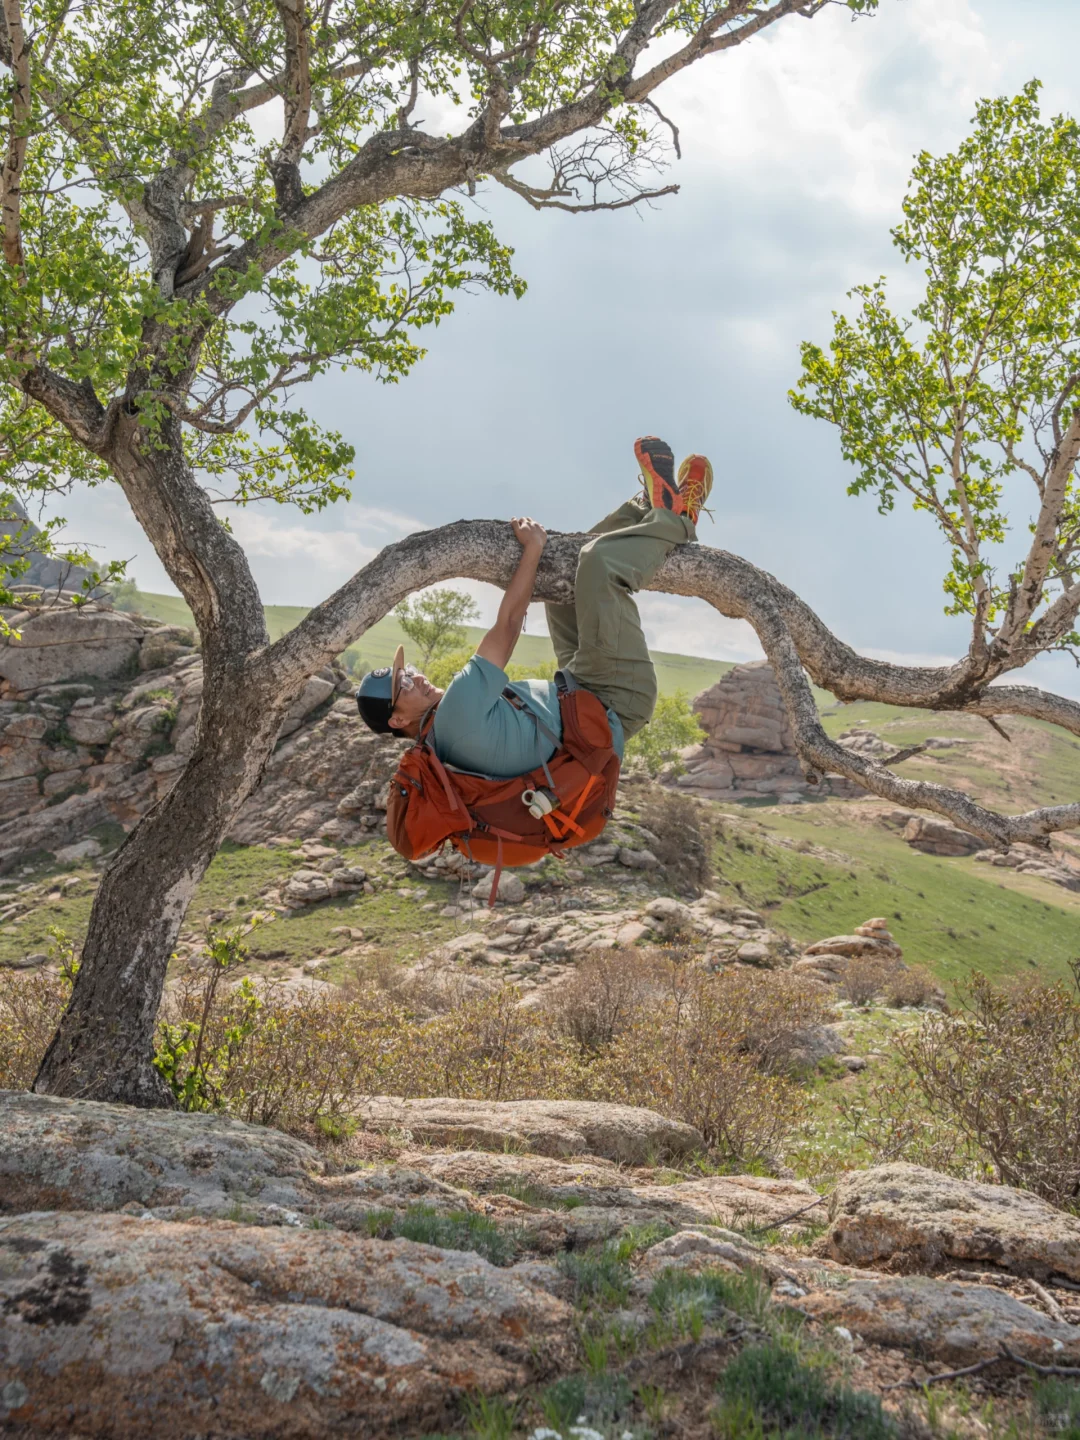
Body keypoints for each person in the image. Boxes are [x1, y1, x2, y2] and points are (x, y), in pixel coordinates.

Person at [355, 435, 712, 775]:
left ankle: (648, 504)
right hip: (614, 700)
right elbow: (509, 625)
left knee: (559, 588)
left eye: (408, 671)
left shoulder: (439, 745)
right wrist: (534, 547)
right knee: (598, 564)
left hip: (579, 694)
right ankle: (678, 519)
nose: (415, 676)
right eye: (403, 685)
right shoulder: (453, 713)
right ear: (398, 720)